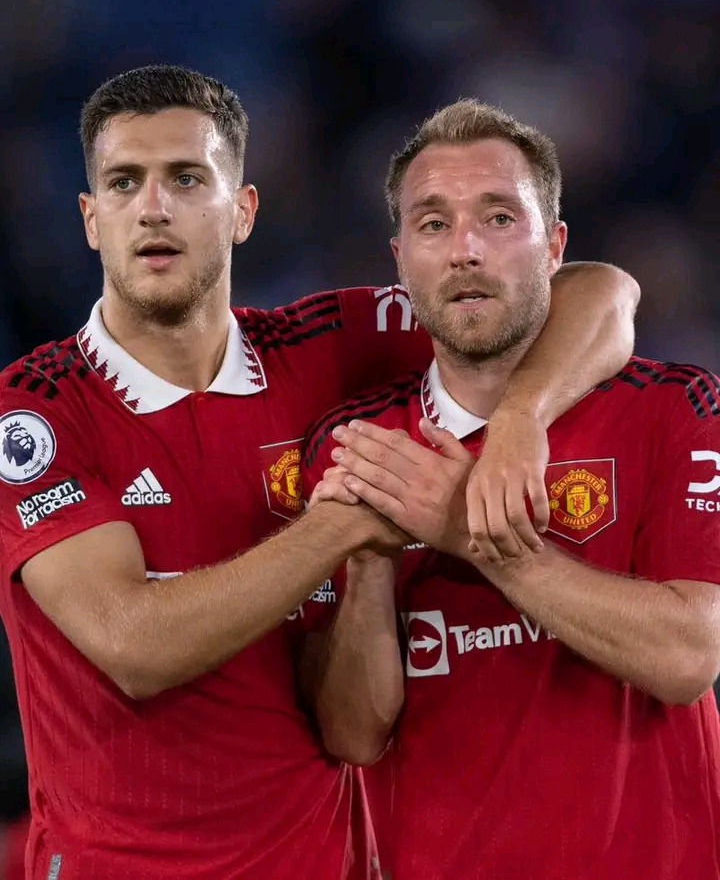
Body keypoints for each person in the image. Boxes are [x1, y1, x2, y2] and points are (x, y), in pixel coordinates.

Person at [0, 66, 638, 880]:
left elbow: (600, 292)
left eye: (187, 178)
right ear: (92, 220)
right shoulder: (35, 411)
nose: (153, 207)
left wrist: (522, 417)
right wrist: (342, 524)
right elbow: (134, 645)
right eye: (124, 182)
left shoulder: (323, 347)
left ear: (243, 211)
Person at [302, 100, 720, 880]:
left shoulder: (675, 408)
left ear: (555, 245)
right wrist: (365, 563)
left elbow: (689, 654)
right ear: (400, 259)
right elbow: (355, 734)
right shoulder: (355, 444)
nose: (465, 249)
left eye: (498, 218)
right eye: (433, 224)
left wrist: (474, 535)